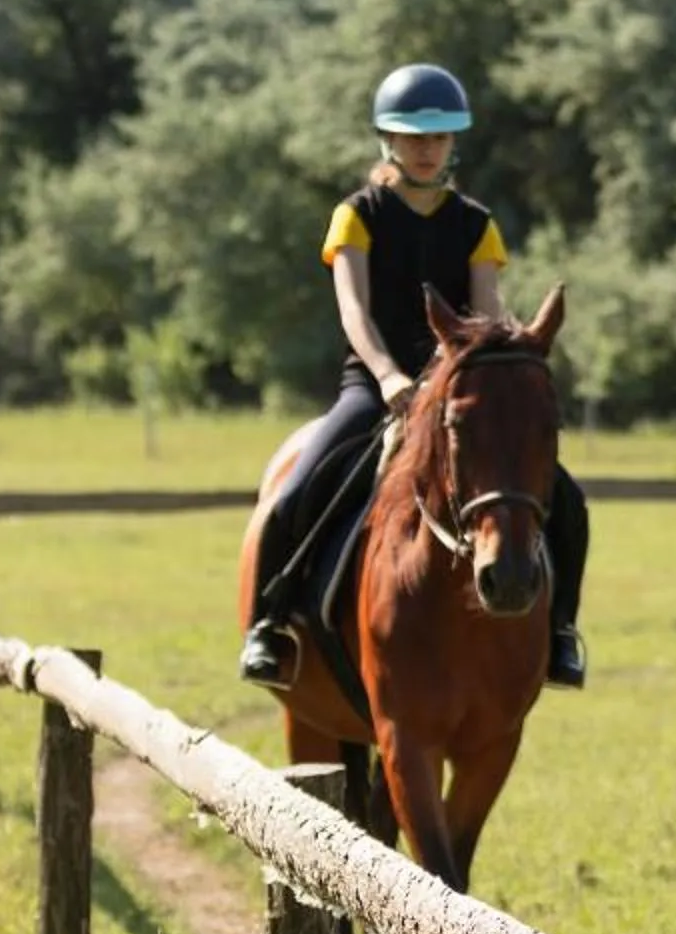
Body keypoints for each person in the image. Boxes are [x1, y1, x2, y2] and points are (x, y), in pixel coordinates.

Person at [239, 62, 590, 692]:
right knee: (297, 492)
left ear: (454, 143)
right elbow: (353, 310)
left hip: (454, 391)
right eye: (413, 137)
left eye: (440, 138)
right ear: (388, 140)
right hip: (374, 386)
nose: (427, 150)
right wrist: (387, 377)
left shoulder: (476, 224)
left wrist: (490, 371)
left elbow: (484, 317)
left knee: (564, 497)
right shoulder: (357, 215)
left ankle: (560, 632)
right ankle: (268, 625)